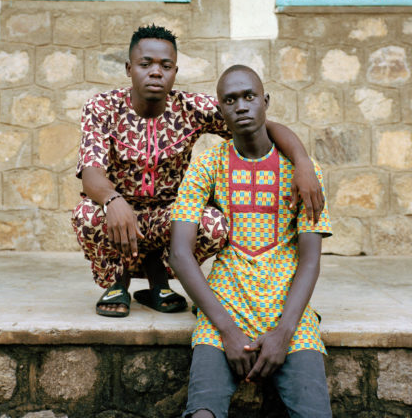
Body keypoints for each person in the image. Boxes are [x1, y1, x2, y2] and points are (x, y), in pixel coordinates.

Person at [72, 24, 325, 318]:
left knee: (213, 223)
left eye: (165, 66)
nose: (156, 72)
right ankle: (118, 281)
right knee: (86, 214)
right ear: (129, 68)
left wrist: (303, 162)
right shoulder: (103, 107)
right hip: (117, 210)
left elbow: (260, 124)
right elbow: (91, 171)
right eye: (146, 64)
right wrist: (113, 200)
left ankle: (159, 280)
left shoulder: (190, 107)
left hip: (169, 215)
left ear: (175, 72)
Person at [169, 65, 332, 418]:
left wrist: (285, 333)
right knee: (202, 413)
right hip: (225, 306)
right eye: (230, 100)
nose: (241, 106)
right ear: (221, 110)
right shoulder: (208, 164)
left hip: (289, 311)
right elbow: (180, 253)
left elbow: (310, 260)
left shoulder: (303, 171)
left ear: (265, 102)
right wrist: (226, 329)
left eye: (249, 96)